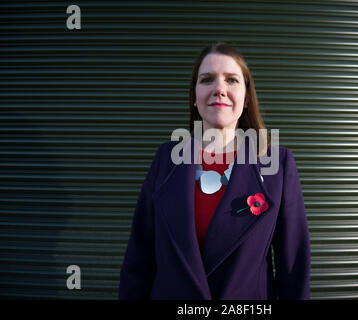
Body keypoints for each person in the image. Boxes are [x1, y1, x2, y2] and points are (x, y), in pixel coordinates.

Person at [118, 42, 310, 300]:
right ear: (194, 97)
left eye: (231, 80)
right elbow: (138, 260)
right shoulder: (165, 160)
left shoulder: (278, 164)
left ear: (246, 97)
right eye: (207, 79)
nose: (219, 89)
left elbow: (293, 269)